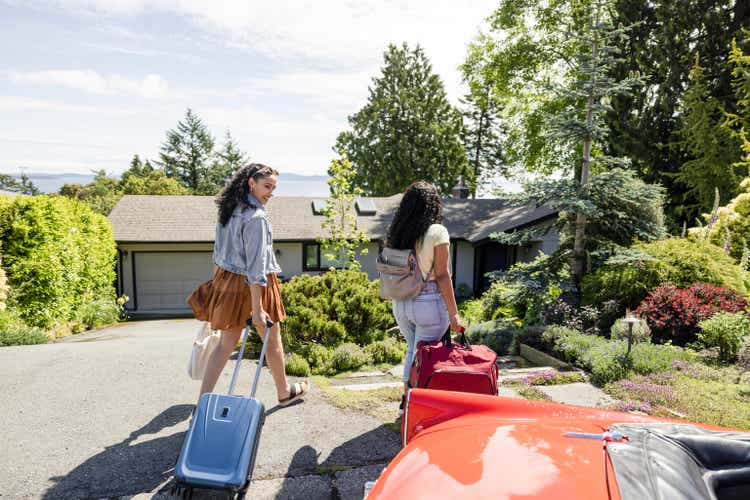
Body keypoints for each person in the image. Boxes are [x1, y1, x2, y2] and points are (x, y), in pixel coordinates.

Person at [189, 163, 308, 406]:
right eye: (267, 186)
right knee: (272, 341)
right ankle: (284, 392)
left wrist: (217, 284)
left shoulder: (229, 210)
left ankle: (202, 403)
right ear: (250, 183)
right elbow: (256, 267)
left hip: (227, 281)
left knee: (225, 344)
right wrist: (258, 308)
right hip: (255, 286)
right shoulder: (257, 218)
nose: (270, 193)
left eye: (273, 188)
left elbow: (218, 252)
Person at [385, 181, 464, 398]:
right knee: (423, 357)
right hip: (428, 304)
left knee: (413, 351)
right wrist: (454, 313)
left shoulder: (398, 232)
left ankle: (406, 402)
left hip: (401, 303)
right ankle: (416, 405)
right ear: (433, 204)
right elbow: (442, 274)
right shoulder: (437, 231)